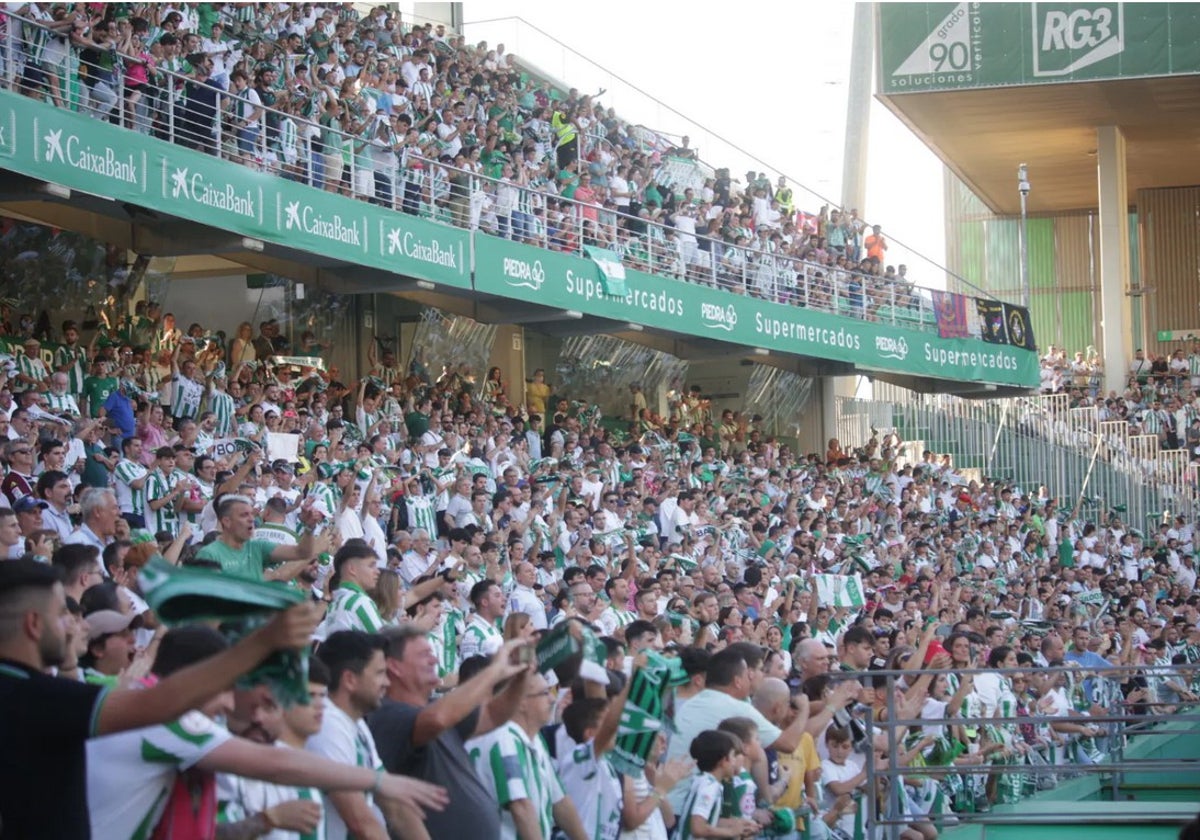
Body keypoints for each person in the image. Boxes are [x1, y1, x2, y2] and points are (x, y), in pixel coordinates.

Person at [0, 559, 322, 839]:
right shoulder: (33, 695)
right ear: (33, 623)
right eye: (62, 615)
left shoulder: (31, 690)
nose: (73, 627)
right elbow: (160, 704)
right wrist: (265, 642)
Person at [86, 625, 449, 839]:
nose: (228, 704)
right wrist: (377, 781)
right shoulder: (167, 717)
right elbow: (274, 763)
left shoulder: (147, 704)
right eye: (224, 687)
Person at [368, 626, 532, 837]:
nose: (434, 661)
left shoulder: (434, 708)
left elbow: (493, 715)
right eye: (424, 655)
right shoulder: (387, 714)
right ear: (395, 667)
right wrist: (495, 669)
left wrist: (521, 676)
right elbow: (437, 719)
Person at [467, 670, 590, 840]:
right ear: (521, 701)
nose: (552, 699)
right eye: (544, 693)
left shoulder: (533, 738)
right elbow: (520, 807)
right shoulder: (504, 738)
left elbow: (560, 801)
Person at [197, 493, 329, 582]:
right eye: (244, 515)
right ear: (226, 521)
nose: (251, 519)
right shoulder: (209, 554)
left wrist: (309, 528)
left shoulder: (256, 547)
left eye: (251, 514)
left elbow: (301, 553)